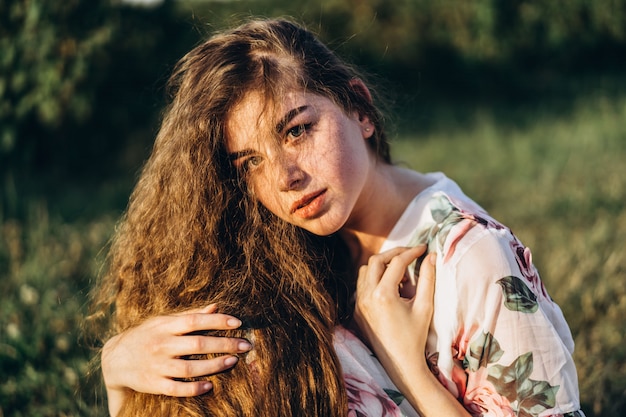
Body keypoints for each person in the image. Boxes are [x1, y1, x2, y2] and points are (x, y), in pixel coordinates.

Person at [95, 18, 585, 417]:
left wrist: (407, 368)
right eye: (251, 162)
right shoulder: (282, 248)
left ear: (360, 110)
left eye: (297, 131)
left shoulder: (475, 260)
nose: (284, 178)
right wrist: (117, 372)